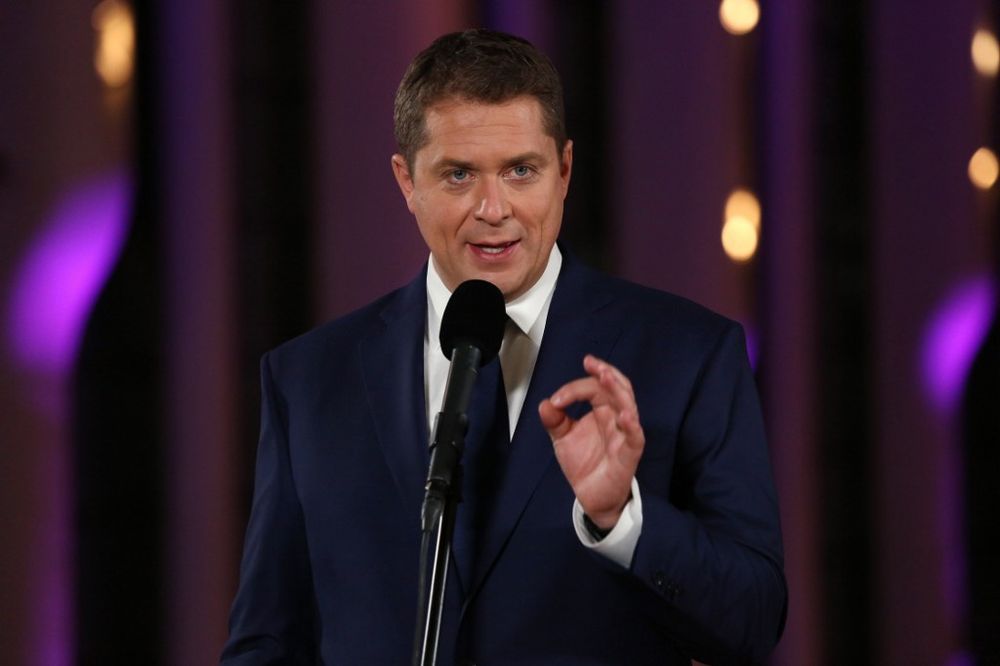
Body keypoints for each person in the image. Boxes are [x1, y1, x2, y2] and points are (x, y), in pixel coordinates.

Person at [221, 29, 786, 666]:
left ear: (565, 170)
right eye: (459, 175)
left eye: (521, 170)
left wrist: (621, 520)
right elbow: (266, 640)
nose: (495, 209)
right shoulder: (309, 379)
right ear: (407, 182)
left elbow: (753, 621)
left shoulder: (688, 356)